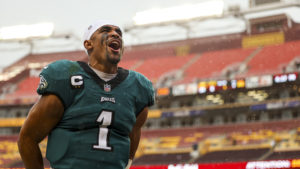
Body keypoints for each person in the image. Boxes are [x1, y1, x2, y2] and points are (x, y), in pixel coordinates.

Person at [18, 20, 155, 169]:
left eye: (118, 32)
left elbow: (134, 132)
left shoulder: (137, 86)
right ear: (89, 44)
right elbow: (28, 138)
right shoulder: (66, 77)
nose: (115, 34)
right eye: (105, 30)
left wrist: (127, 165)